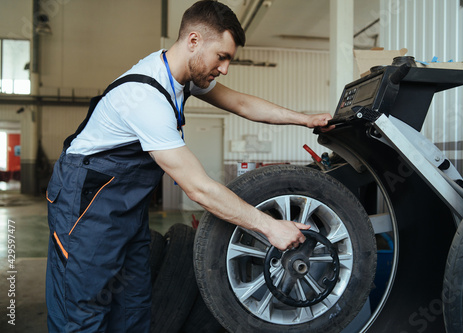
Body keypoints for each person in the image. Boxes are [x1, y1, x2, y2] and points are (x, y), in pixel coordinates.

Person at [45, 0, 334, 331]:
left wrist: (305, 119)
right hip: (85, 205)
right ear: (194, 41)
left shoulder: (184, 78)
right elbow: (198, 188)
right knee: (84, 307)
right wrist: (270, 227)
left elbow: (240, 103)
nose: (224, 68)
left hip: (125, 208)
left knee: (132, 303)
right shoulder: (145, 98)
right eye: (221, 56)